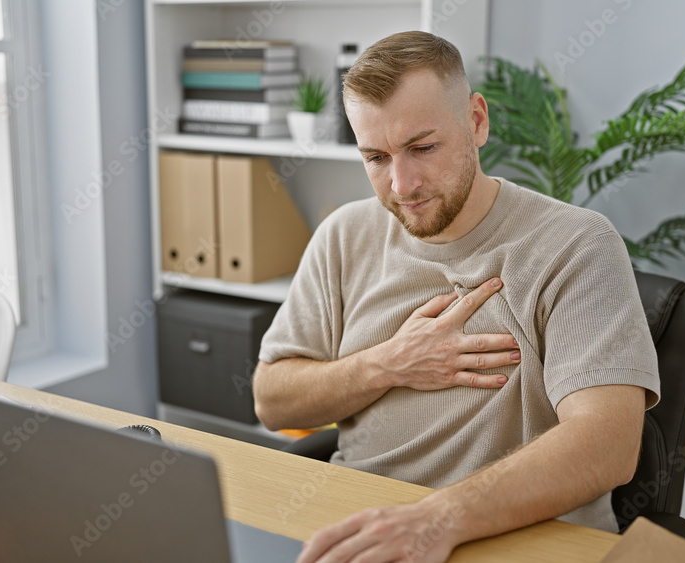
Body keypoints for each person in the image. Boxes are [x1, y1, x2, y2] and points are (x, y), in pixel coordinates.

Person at [253, 30, 660, 563]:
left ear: (476, 120)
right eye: (375, 157)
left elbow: (607, 446)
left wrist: (434, 518)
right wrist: (388, 364)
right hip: (367, 531)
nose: (401, 184)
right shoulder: (344, 235)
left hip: (520, 539)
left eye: (422, 148)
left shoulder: (576, 244)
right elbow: (272, 400)